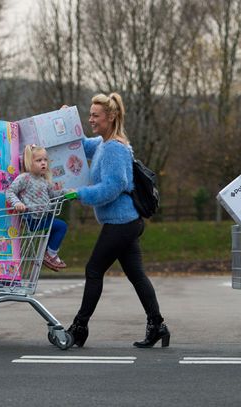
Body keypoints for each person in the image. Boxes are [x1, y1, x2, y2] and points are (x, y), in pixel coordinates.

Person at [62, 93, 170, 349]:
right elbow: (81, 144)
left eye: (95, 116)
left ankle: (79, 327)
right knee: (136, 275)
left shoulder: (114, 148)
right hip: (124, 222)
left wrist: (80, 193)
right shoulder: (103, 143)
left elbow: (112, 187)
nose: (91, 120)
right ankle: (157, 325)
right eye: (89, 115)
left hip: (121, 222)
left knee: (93, 270)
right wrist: (66, 121)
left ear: (111, 117)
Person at [6, 144, 69, 271]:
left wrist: (65, 193)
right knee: (61, 226)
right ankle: (50, 254)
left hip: (43, 216)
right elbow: (10, 192)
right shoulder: (25, 178)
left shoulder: (44, 181)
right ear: (30, 162)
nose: (43, 163)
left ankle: (50, 252)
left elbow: (53, 195)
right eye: (39, 160)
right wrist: (17, 203)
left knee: (59, 226)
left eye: (45, 160)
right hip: (32, 218)